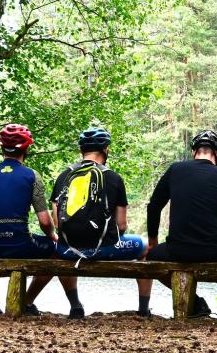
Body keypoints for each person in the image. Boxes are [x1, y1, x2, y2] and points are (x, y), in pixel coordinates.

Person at [24, 127, 147, 318]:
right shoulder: (113, 178)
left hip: (68, 250)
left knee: (60, 249)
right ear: (106, 149)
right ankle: (144, 309)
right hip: (105, 248)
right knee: (144, 246)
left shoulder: (64, 176)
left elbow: (57, 222)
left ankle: (75, 306)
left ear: (81, 150)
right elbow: (122, 226)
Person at [143, 129, 217, 320]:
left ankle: (197, 303)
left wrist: (153, 242)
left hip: (177, 250)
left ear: (194, 152)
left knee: (150, 258)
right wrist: (216, 242)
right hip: (214, 250)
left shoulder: (175, 170)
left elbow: (153, 206)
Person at [0, 124, 63, 314]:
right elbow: (44, 221)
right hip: (20, 244)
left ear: (1, 148)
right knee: (56, 252)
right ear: (27, 148)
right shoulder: (32, 176)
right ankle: (26, 301)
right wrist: (52, 235)